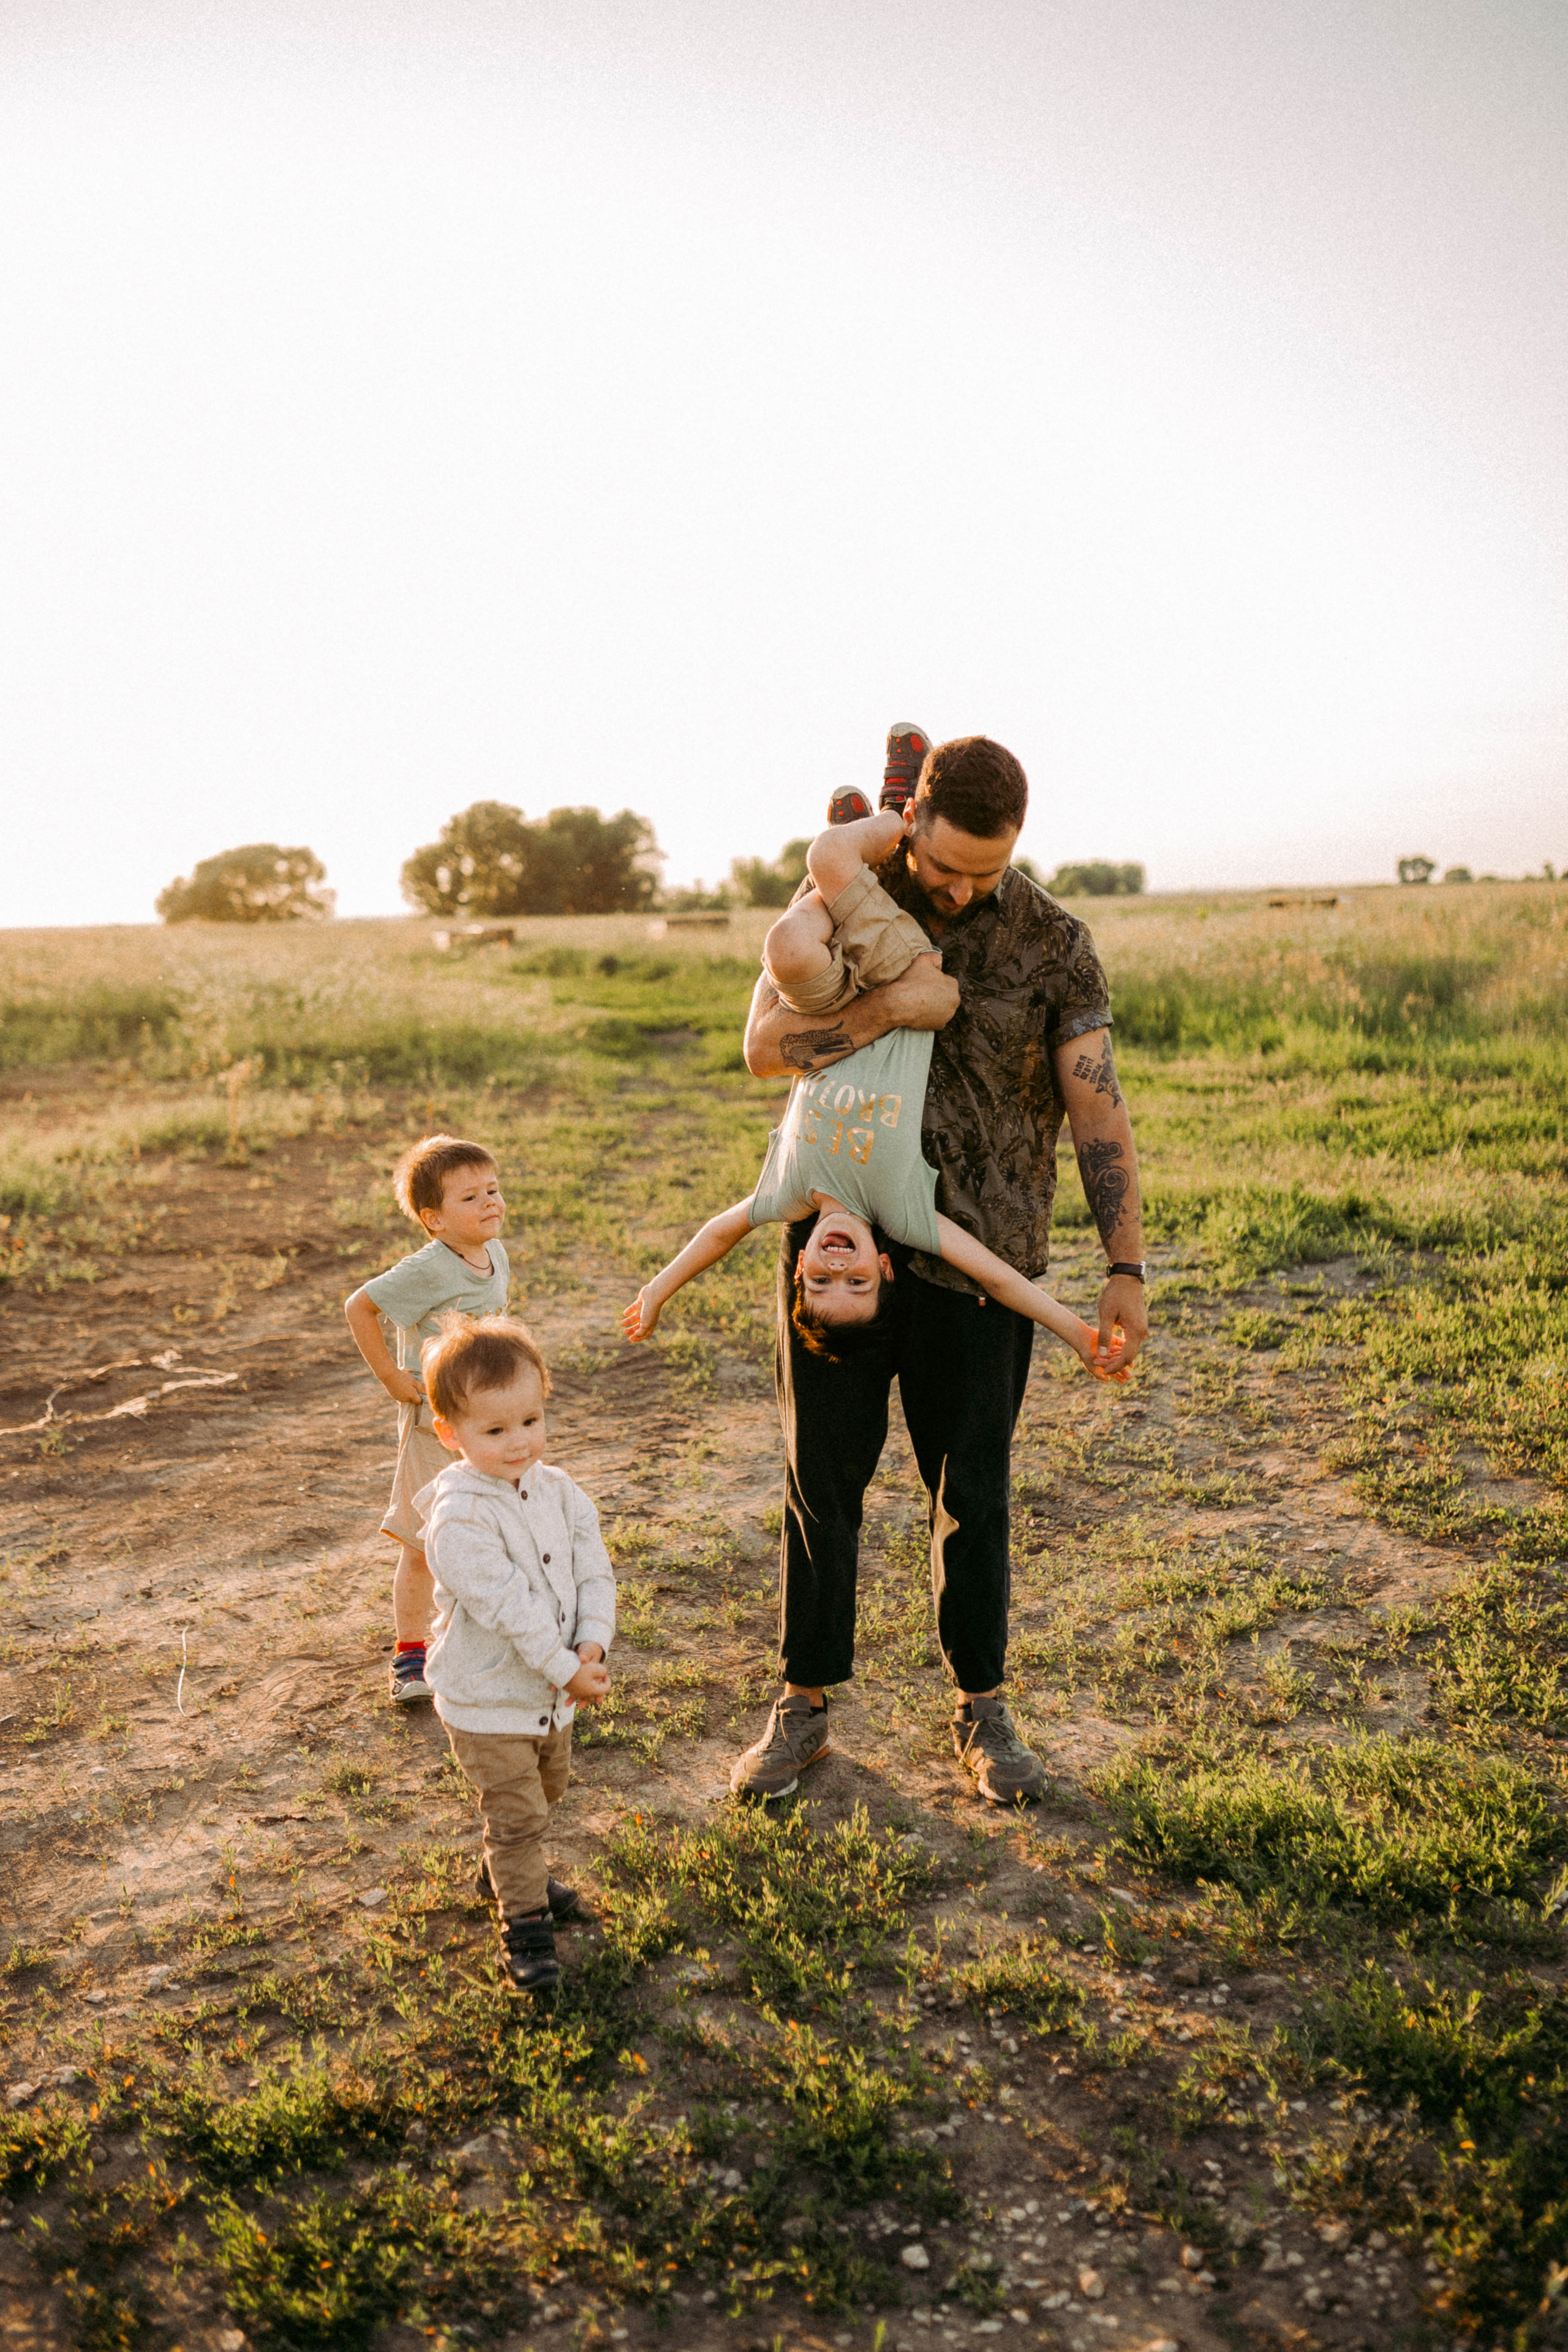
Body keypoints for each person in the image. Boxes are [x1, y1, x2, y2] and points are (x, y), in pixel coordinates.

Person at [733, 729, 1151, 1807]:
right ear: (909, 821)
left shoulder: (1056, 943)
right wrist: (885, 1009)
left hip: (984, 1257)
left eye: (989, 871)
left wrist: (1126, 1265)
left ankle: (981, 1707)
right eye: (946, 867)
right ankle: (804, 1701)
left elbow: (1097, 1108)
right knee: (821, 1480)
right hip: (843, 1251)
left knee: (975, 1493)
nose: (964, 891)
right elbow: (765, 1049)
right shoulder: (848, 894)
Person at [622, 804, 1126, 1384]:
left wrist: (658, 1290)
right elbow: (996, 1275)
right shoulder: (904, 1213)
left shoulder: (785, 1196)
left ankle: (860, 863)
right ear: (885, 1269)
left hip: (836, 1005)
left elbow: (718, 1233)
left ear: (799, 1268)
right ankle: (891, 820)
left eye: (821, 1281)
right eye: (856, 1282)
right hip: (906, 974)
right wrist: (1077, 1334)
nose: (837, 1266)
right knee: (826, 856)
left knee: (787, 946)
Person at [416, 1314, 615, 1996]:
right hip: (488, 1701)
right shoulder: (459, 1519)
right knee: (520, 1815)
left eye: (530, 1421)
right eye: (495, 1431)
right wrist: (567, 1670)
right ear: (450, 1435)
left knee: (547, 1791)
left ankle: (505, 1869)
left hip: (552, 1696)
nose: (519, 1442)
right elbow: (511, 1610)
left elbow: (594, 1569)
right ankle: (525, 1925)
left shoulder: (558, 1490)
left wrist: (592, 1642)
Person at [344, 1136, 511, 1705]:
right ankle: (410, 1656)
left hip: (486, 1422)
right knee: (422, 1541)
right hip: (432, 1423)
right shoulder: (427, 1269)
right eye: (471, 1197)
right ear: (433, 1219)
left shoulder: (495, 1253)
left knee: (485, 1530)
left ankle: (480, 1641)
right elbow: (359, 1307)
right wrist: (392, 1377)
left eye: (493, 1189)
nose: (490, 1203)